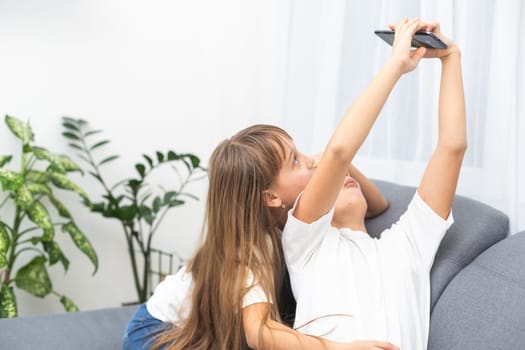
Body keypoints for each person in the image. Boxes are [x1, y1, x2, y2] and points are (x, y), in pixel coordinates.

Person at [122, 17, 453, 350]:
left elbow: (377, 205)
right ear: (269, 197)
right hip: (157, 331)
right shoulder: (253, 253)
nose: (310, 161)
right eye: (296, 160)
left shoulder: (303, 223)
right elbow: (259, 332)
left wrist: (334, 166)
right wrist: (395, 65)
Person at [274, 18, 466, 349]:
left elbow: (452, 146)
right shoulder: (304, 244)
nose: (346, 177)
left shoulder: (407, 244)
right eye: (332, 178)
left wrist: (452, 58)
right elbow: (339, 151)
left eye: (351, 176)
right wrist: (395, 66)